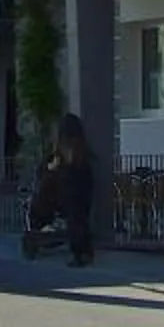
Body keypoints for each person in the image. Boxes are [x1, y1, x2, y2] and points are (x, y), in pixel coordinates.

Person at [51, 112, 97, 268]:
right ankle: (87, 252)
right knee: (83, 221)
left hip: (71, 188)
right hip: (85, 188)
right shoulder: (82, 146)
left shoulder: (65, 146)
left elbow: (58, 166)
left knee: (74, 223)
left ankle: (78, 255)